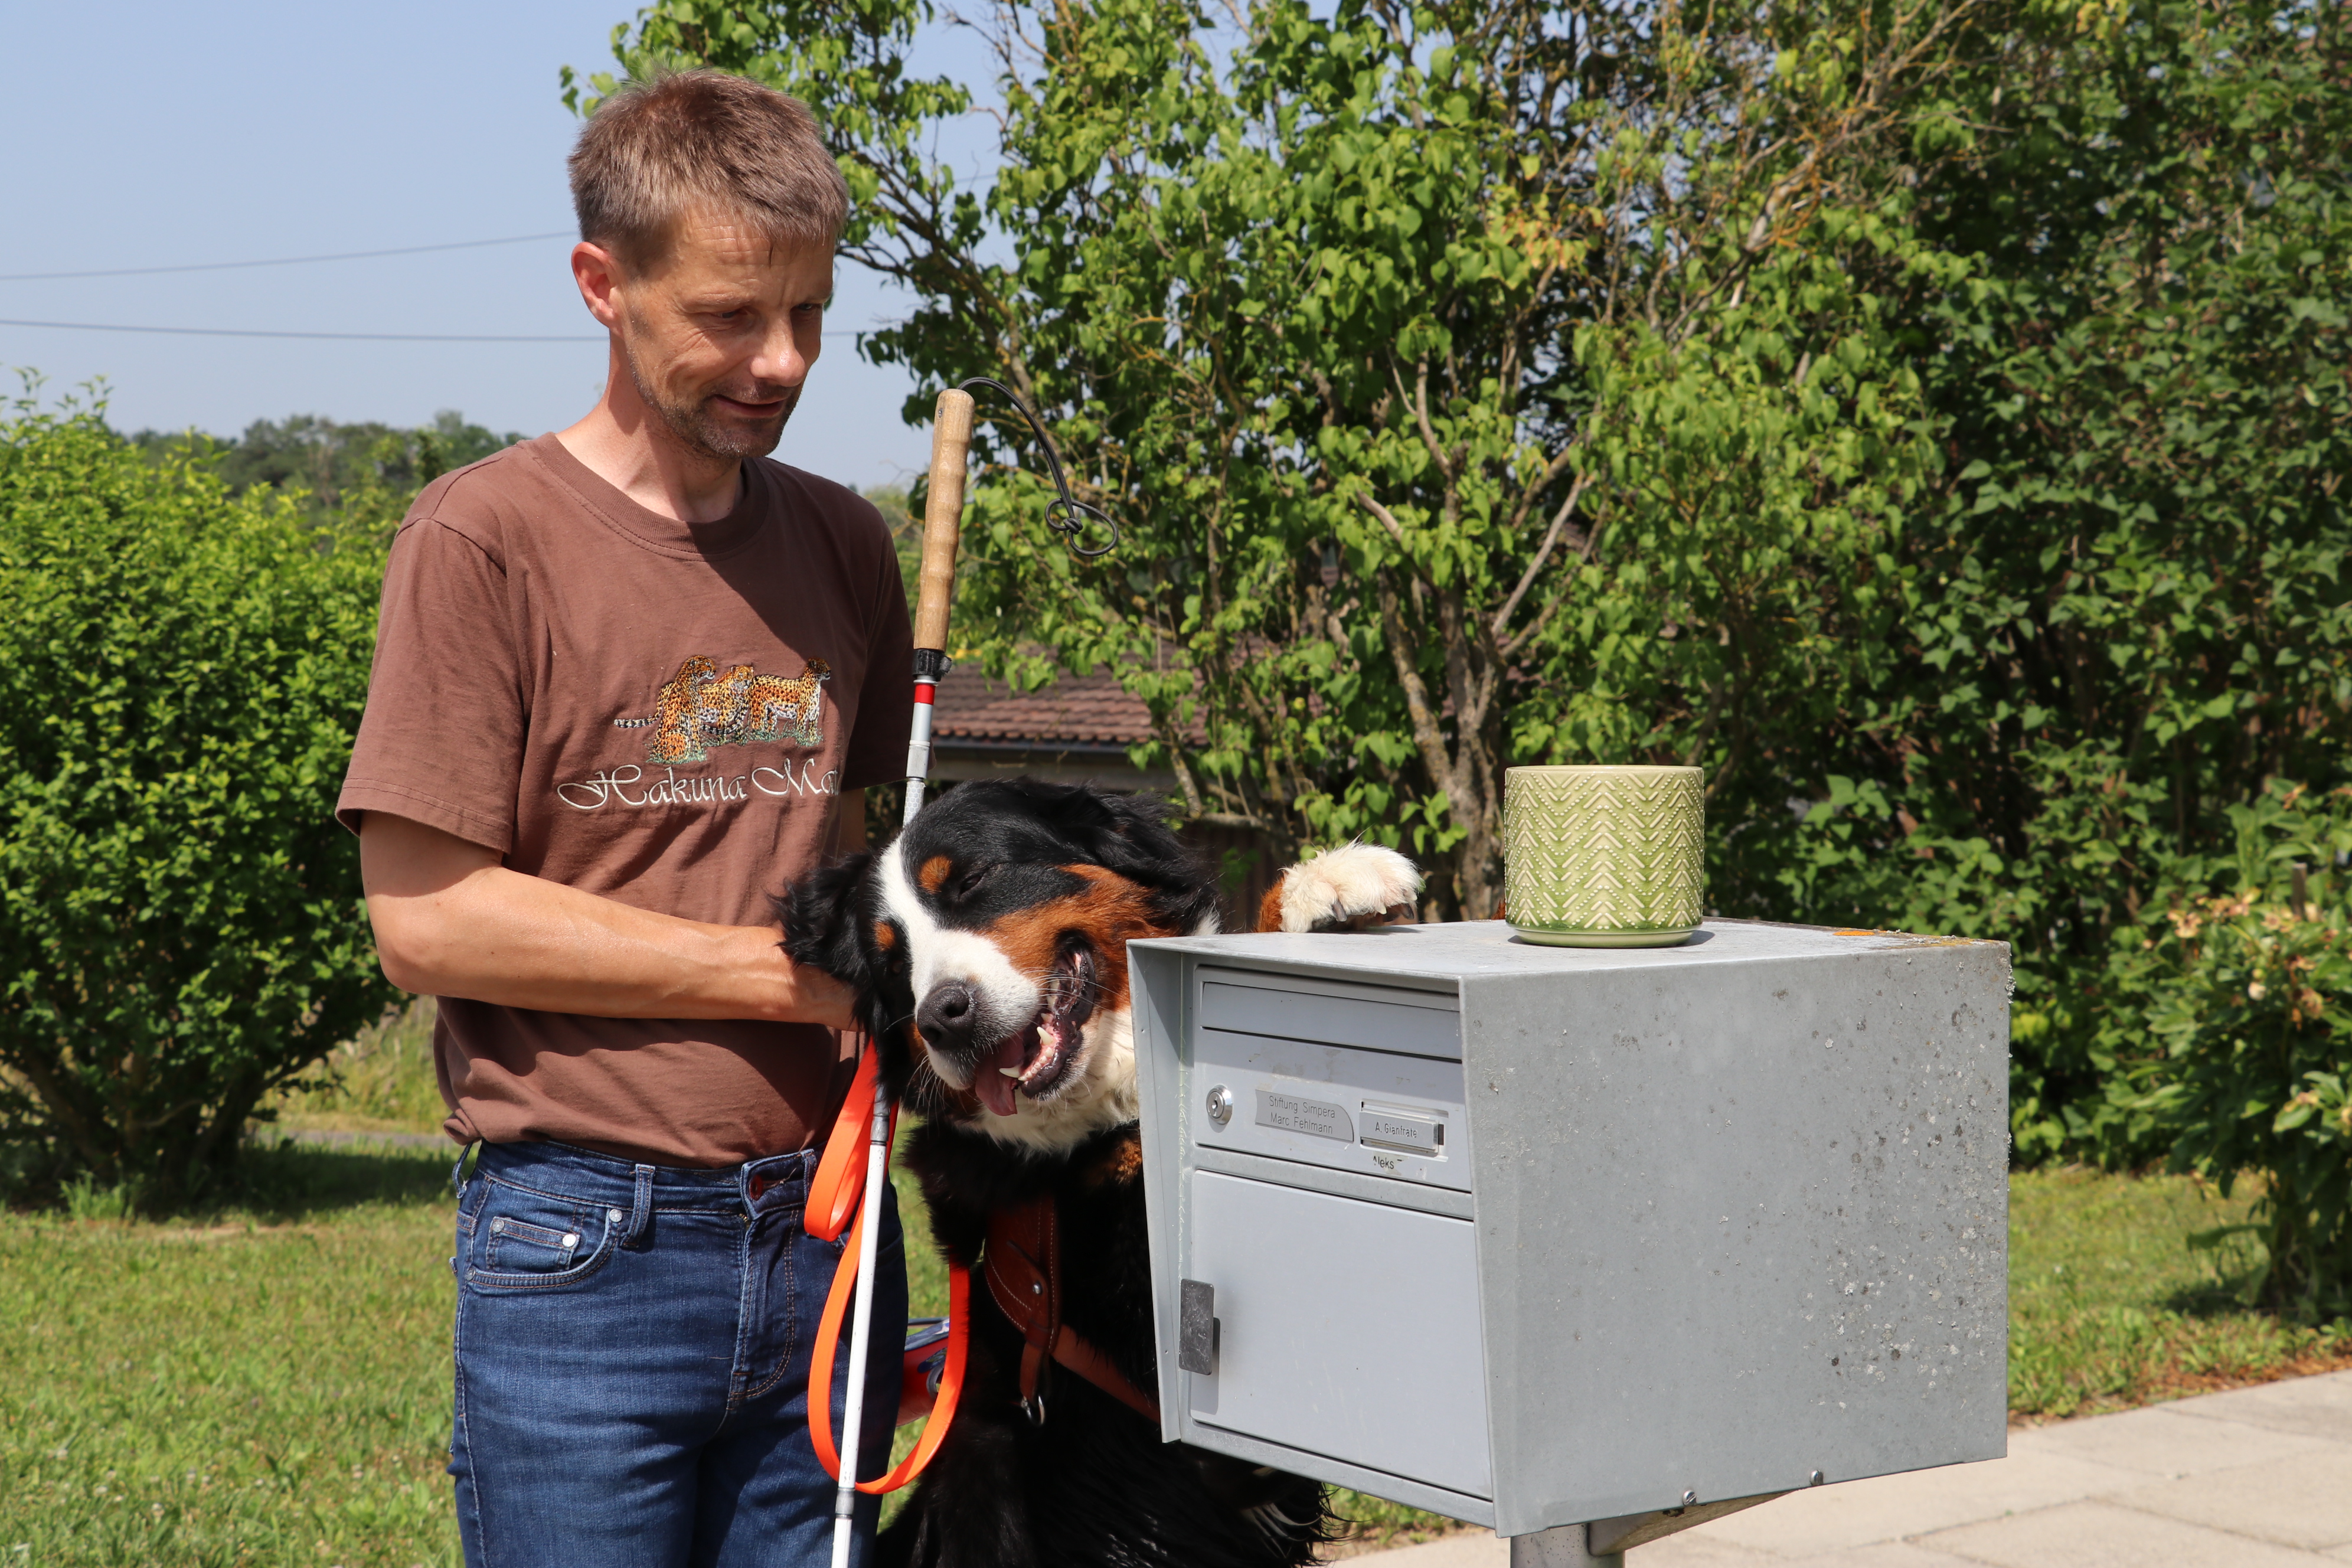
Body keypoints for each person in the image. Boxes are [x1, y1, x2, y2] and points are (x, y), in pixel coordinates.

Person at [338, 70, 913, 1568]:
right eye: (731, 315)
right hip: (586, 1248)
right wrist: (767, 977)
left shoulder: (848, 543)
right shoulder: (484, 539)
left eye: (809, 313)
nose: (779, 361)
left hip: (834, 1228)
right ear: (603, 284)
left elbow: (854, 855)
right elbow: (425, 914)